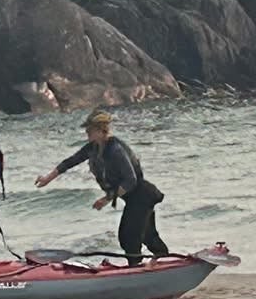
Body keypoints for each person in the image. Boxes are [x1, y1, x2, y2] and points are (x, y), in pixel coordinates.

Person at [35, 108, 169, 266]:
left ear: (100, 130)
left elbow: (130, 180)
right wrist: (47, 178)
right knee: (146, 234)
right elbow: (71, 161)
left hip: (141, 195)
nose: (86, 132)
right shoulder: (93, 147)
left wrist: (106, 199)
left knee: (128, 236)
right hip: (133, 197)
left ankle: (136, 268)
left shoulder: (115, 149)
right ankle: (162, 259)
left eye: (89, 129)